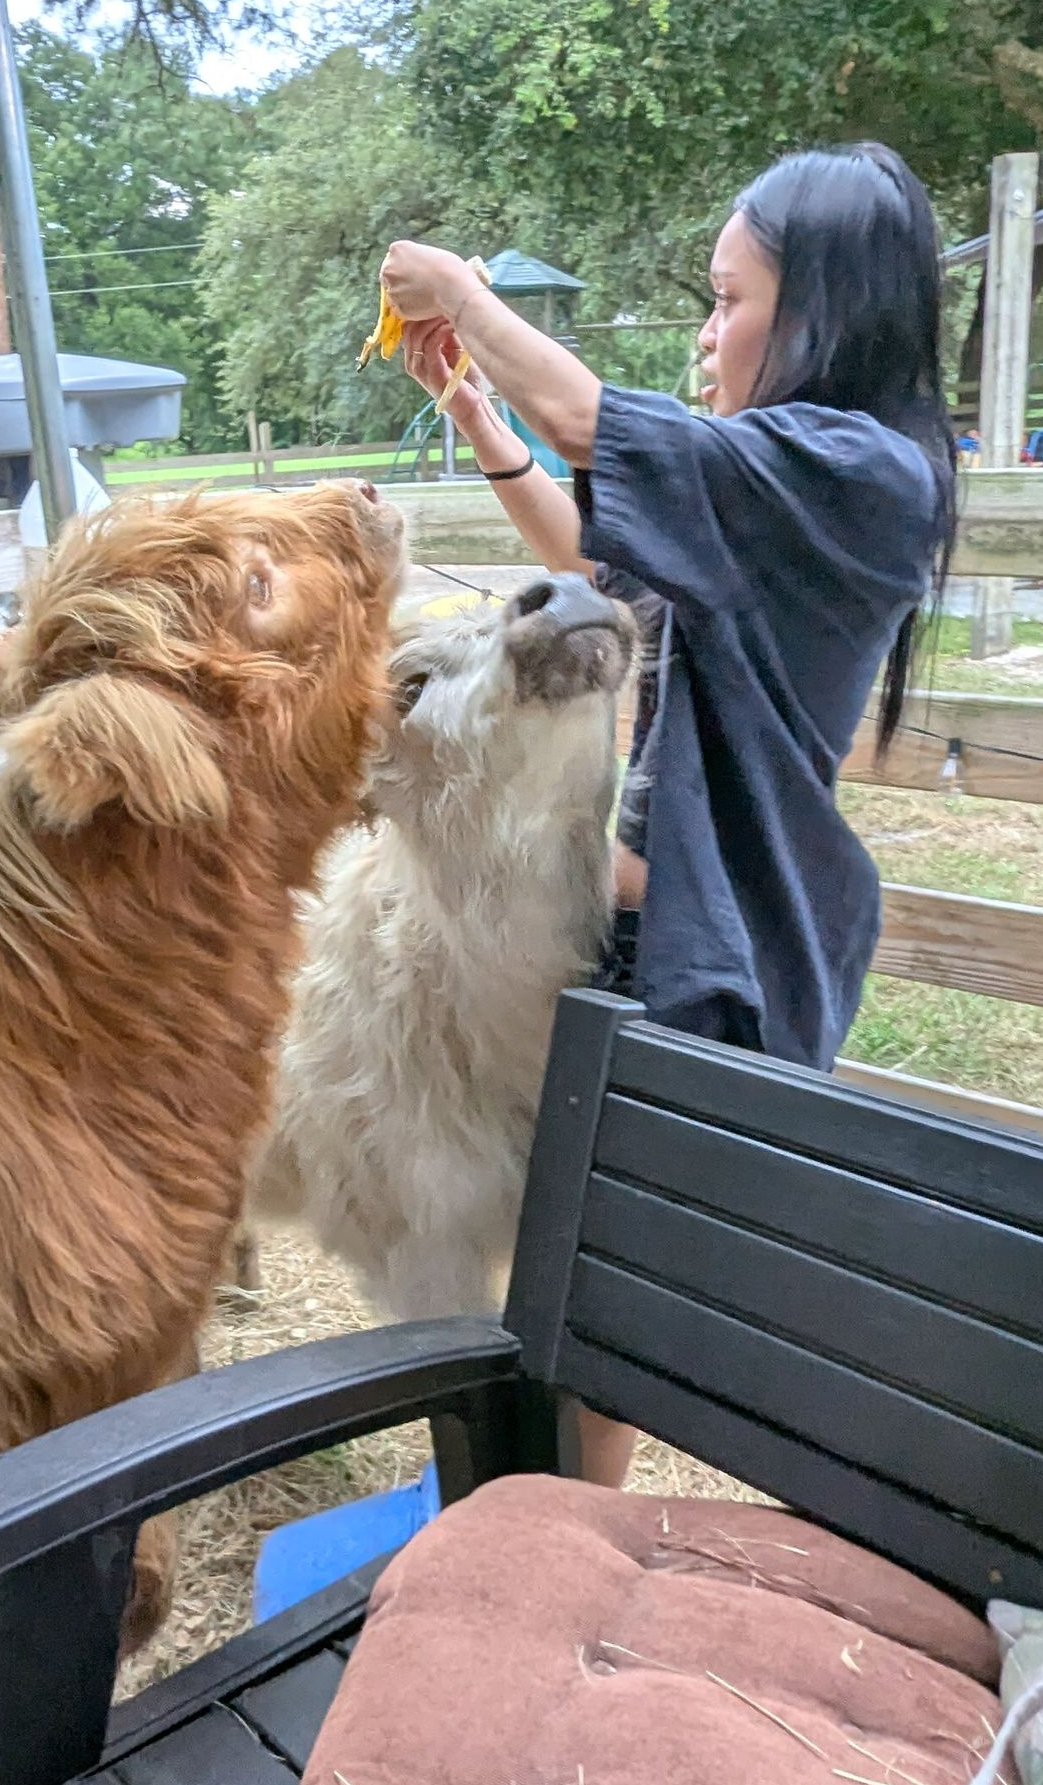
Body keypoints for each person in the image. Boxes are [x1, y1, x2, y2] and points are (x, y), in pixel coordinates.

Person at [382, 143, 957, 1490]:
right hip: (628, 957)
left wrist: (461, 296)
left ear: (824, 309)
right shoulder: (775, 486)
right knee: (572, 1284)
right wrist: (478, 419)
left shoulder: (861, 471)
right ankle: (544, 1536)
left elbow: (599, 427)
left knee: (606, 1310)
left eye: (726, 298)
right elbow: (590, 557)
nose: (706, 335)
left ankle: (557, 1552)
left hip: (704, 975)